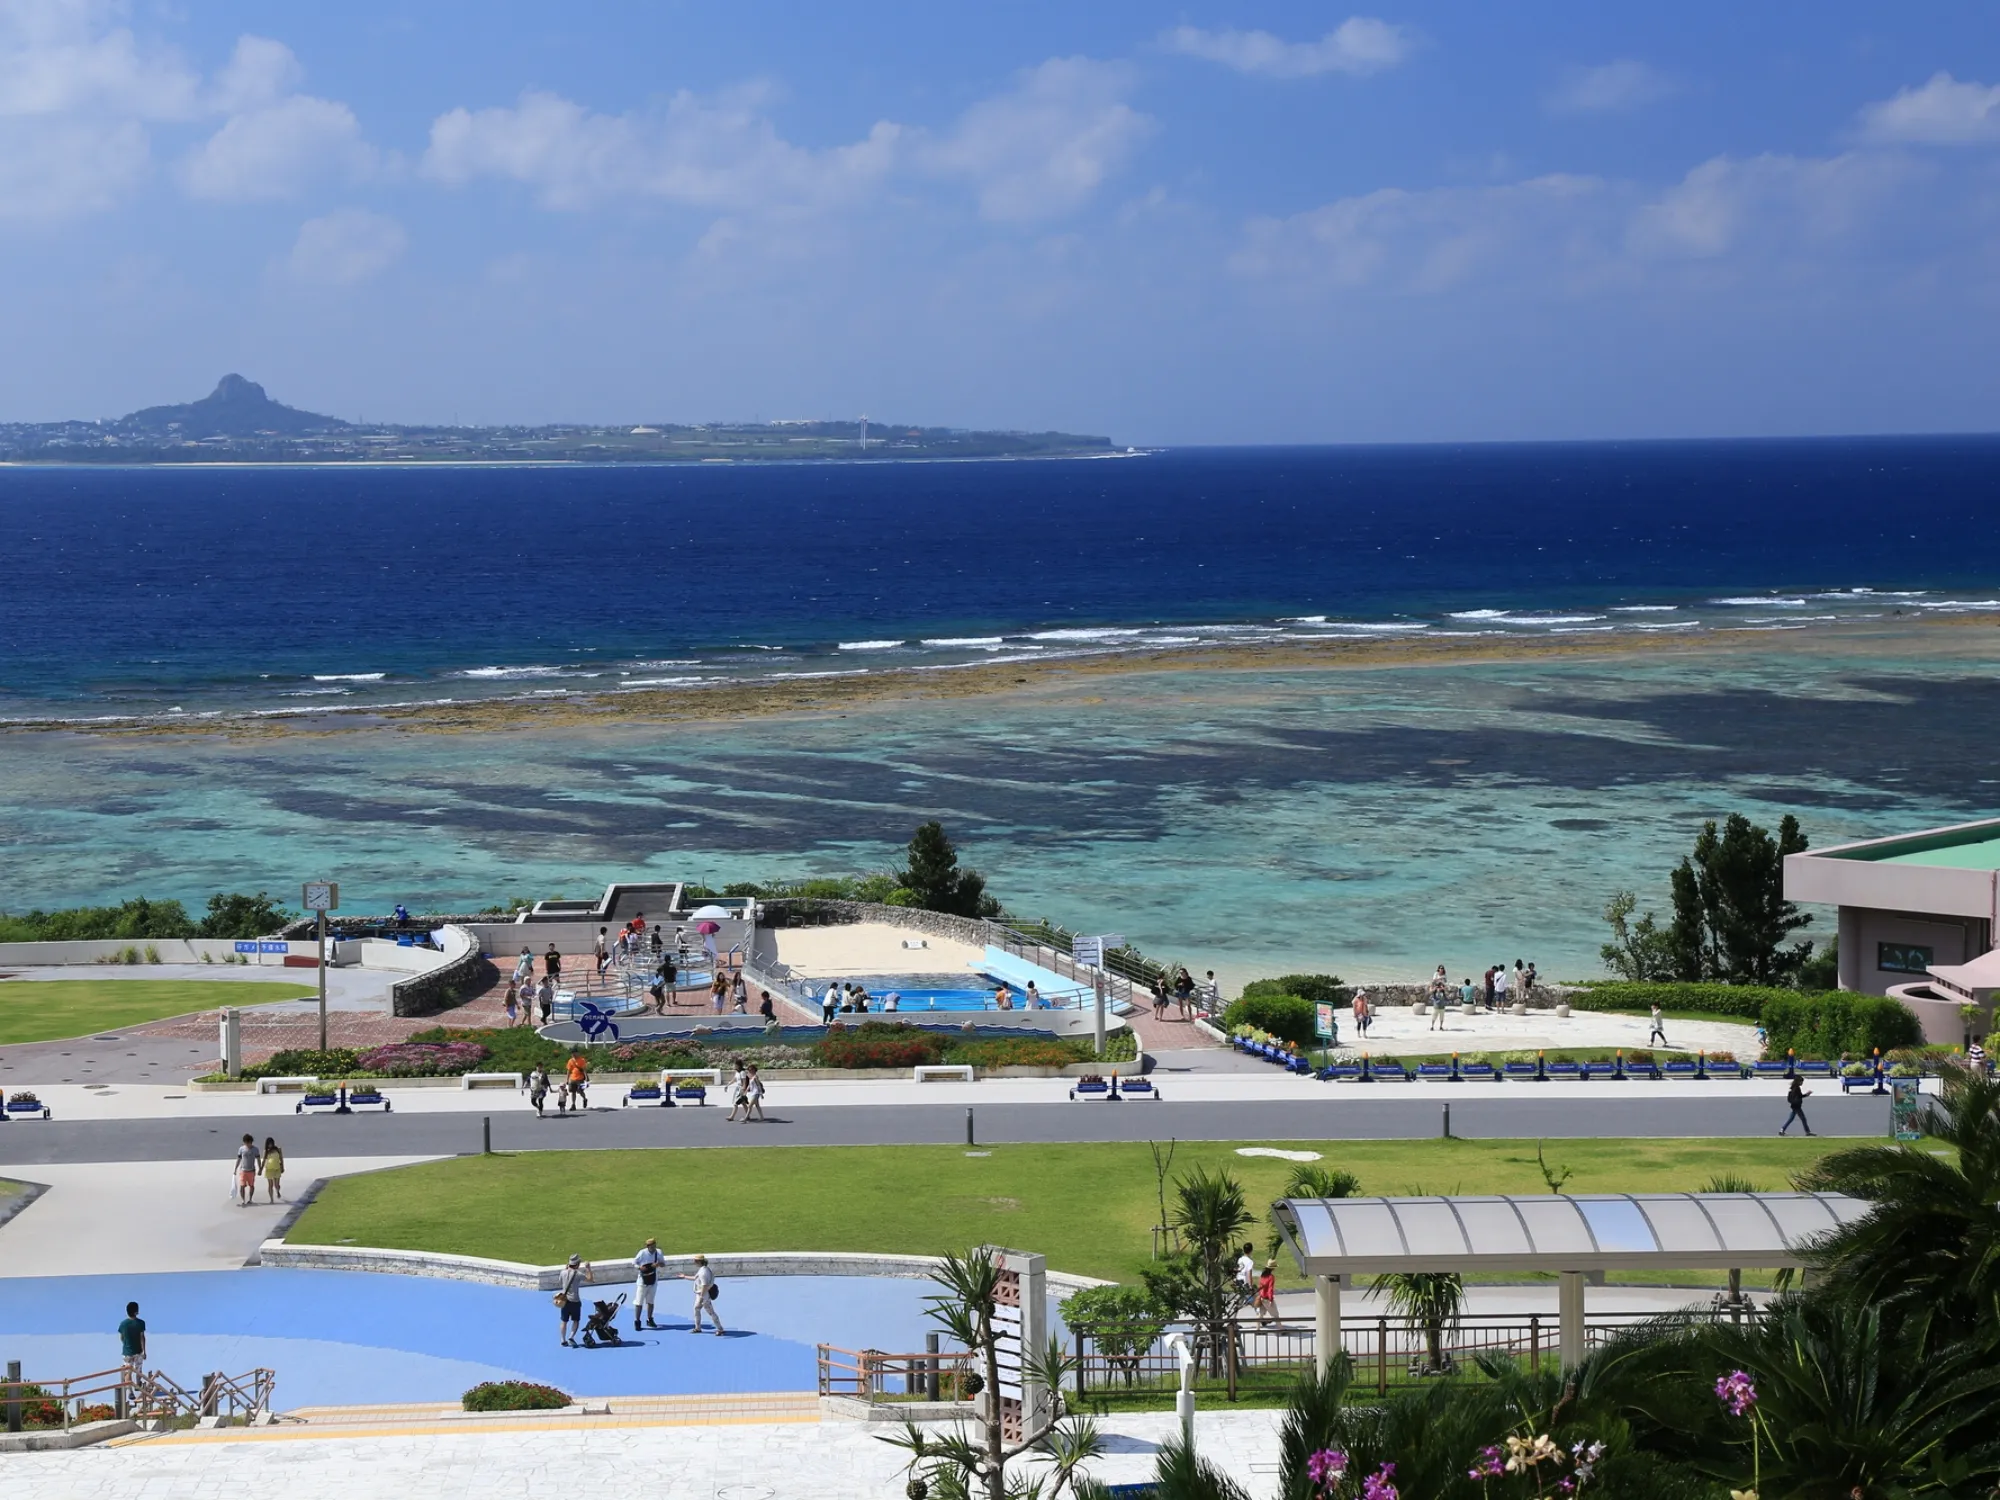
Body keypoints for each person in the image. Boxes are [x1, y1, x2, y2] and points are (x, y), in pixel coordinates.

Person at [682, 1254, 726, 1335]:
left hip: (704, 1295)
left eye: (695, 1261)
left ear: (699, 1261)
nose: (694, 1262)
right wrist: (684, 1276)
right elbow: (695, 1278)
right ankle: (697, 1328)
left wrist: (702, 1297)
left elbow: (704, 1286)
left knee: (711, 1312)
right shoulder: (704, 1269)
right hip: (702, 1294)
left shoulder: (703, 1272)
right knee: (696, 1309)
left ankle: (720, 1329)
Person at [632, 1238, 665, 1332]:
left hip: (653, 1279)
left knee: (650, 1301)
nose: (654, 1247)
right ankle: (637, 1321)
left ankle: (650, 1319)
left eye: (655, 1245)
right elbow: (634, 1262)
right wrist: (639, 1268)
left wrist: (658, 1264)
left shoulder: (658, 1252)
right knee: (639, 1302)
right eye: (652, 1246)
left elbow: (663, 1263)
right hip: (642, 1280)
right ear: (648, 1246)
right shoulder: (642, 1253)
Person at [558, 1254, 588, 1346]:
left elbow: (560, 1282)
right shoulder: (578, 1274)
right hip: (575, 1301)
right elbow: (590, 1279)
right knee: (576, 1320)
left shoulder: (563, 1272)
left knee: (564, 1320)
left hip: (565, 1301)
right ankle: (571, 1336)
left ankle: (563, 1340)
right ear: (577, 1264)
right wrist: (588, 1269)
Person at [117, 1300, 147, 1383]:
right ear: (136, 1312)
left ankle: (130, 1391)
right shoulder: (141, 1323)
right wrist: (144, 1351)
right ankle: (138, 1383)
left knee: (128, 1371)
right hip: (138, 1351)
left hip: (127, 1352)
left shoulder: (123, 1324)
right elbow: (142, 1338)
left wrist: (126, 1344)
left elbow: (122, 1337)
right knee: (138, 1368)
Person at [232, 1134, 260, 1207]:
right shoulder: (241, 1149)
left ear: (251, 1142)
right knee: (242, 1186)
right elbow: (239, 1159)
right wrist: (235, 1168)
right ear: (244, 1142)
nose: (248, 1144)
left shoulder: (255, 1149)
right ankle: (243, 1200)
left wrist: (260, 1168)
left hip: (251, 1170)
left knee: (251, 1185)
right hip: (243, 1170)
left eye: (249, 1143)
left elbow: (258, 1159)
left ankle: (250, 1199)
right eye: (246, 1143)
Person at [1253, 1261, 1279, 1327]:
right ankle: (1281, 1329)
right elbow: (1270, 1289)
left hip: (1261, 1297)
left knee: (1260, 1314)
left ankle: (1257, 1329)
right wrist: (1270, 1299)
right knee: (1276, 1315)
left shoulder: (1262, 1275)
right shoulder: (1271, 1277)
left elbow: (1260, 1286)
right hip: (1267, 1298)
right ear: (1273, 1268)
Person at [262, 1136, 285, 1203]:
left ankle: (277, 1191)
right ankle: (271, 1199)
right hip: (269, 1169)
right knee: (270, 1185)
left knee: (276, 1184)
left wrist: (282, 1167)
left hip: (277, 1168)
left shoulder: (278, 1149)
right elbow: (263, 1160)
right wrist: (261, 1169)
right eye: (269, 1144)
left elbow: (281, 1158)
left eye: (271, 1143)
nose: (270, 1145)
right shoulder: (266, 1151)